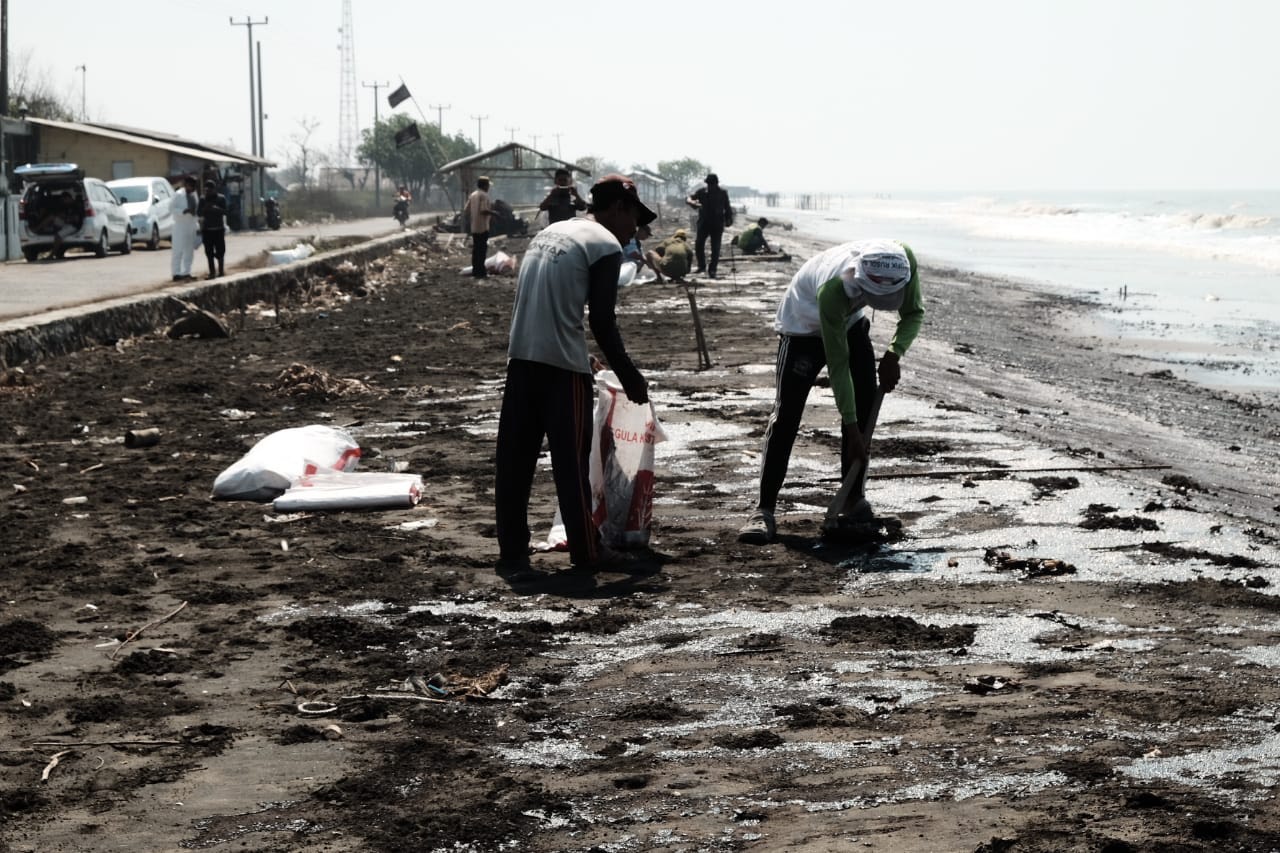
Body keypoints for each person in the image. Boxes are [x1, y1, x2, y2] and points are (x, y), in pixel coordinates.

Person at [494, 174, 657, 578]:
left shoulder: (552, 232)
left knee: (515, 462)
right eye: (634, 218)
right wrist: (630, 376)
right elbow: (603, 320)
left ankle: (512, 552)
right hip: (562, 373)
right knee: (571, 465)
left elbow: (547, 302)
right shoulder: (604, 245)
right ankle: (587, 552)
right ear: (619, 208)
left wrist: (582, 350)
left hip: (521, 360)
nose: (634, 230)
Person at [738, 238, 925, 544]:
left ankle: (852, 500)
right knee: (787, 414)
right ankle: (764, 510)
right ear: (860, 282)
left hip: (850, 322)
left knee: (865, 406)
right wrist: (851, 430)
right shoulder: (834, 288)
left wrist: (893, 354)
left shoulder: (903, 259)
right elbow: (838, 368)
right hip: (802, 326)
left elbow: (913, 312)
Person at [685, 173, 733, 278]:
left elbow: (727, 207)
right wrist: (692, 203)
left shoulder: (722, 193)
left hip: (717, 224)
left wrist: (729, 219)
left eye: (712, 184)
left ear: (716, 183)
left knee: (715, 248)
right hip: (704, 223)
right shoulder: (702, 192)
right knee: (699, 244)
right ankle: (701, 266)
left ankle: (712, 270)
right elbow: (688, 198)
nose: (710, 186)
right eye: (709, 184)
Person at [170, 176, 199, 281]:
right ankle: (176, 273)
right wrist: (183, 211)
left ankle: (186, 272)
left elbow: (197, 209)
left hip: (191, 225)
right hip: (180, 225)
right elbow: (171, 209)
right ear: (186, 185)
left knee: (189, 251)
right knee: (178, 249)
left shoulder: (194, 194)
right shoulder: (178, 195)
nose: (193, 188)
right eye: (192, 185)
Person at [465, 176, 495, 278]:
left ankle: (475, 271)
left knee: (476, 250)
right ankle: (481, 273)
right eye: (488, 186)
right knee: (482, 250)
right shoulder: (484, 195)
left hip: (474, 226)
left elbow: (466, 209)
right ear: (485, 186)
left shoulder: (472, 195)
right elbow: (483, 210)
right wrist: (494, 213)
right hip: (483, 227)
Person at [198, 180, 228, 279]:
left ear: (214, 189)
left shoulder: (221, 198)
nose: (208, 192)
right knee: (209, 252)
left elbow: (225, 211)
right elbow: (199, 213)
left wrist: (216, 209)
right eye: (206, 190)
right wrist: (205, 208)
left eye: (210, 190)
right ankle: (212, 272)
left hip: (218, 229)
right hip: (207, 230)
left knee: (220, 251)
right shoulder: (203, 199)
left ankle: (221, 271)